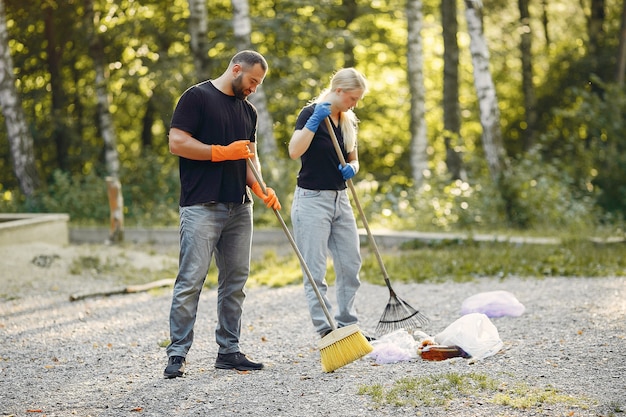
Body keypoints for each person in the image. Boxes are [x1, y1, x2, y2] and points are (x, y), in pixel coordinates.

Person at [164, 50, 281, 379]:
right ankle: (176, 354)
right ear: (236, 69)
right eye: (253, 81)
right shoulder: (196, 97)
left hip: (240, 207)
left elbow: (249, 160)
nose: (254, 88)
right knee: (190, 281)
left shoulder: (249, 111)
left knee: (235, 283)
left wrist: (262, 189)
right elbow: (177, 142)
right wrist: (220, 152)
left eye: (259, 83)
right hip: (201, 205)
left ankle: (228, 351)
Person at [287, 68, 373, 341]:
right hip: (311, 200)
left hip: (340, 199)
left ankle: (348, 325)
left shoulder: (348, 120)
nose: (355, 104)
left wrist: (354, 167)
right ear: (338, 91)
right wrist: (313, 123)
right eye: (352, 98)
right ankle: (326, 329)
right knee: (315, 270)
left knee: (350, 264)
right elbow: (294, 151)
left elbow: (353, 157)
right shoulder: (311, 113)